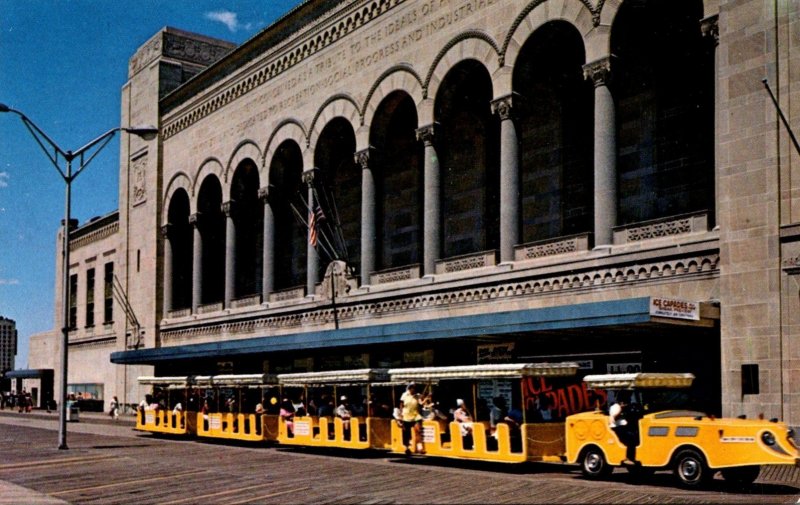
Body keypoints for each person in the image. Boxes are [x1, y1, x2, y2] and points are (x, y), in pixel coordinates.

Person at [609, 391, 638, 464]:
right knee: (631, 438)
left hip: (624, 427)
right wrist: (621, 410)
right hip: (618, 428)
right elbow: (613, 419)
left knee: (636, 434)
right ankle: (628, 458)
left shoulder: (627, 407)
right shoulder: (615, 407)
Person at [399, 383, 424, 455]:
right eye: (412, 388)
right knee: (406, 433)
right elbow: (401, 405)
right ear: (409, 388)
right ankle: (407, 448)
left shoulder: (418, 395)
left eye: (414, 388)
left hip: (416, 415)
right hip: (406, 415)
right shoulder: (404, 395)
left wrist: (425, 398)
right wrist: (401, 415)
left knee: (418, 430)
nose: (413, 389)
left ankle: (420, 447)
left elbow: (421, 404)